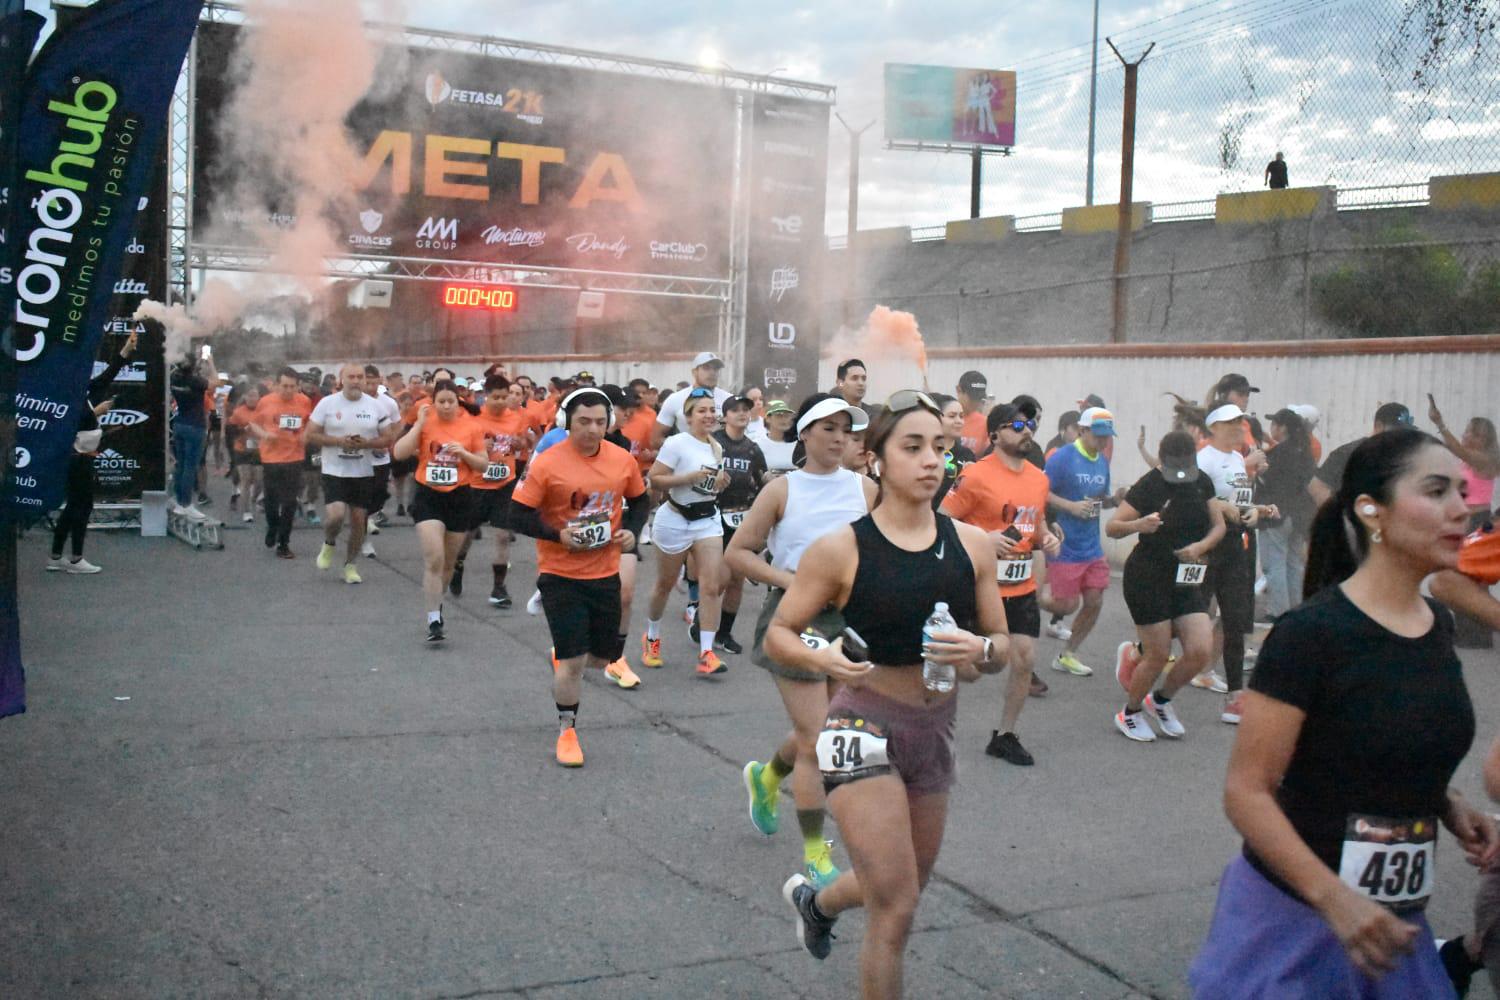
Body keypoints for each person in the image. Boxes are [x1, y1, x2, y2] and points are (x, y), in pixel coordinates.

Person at [1190, 427, 1500, 996]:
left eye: (1463, 491)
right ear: (1370, 510)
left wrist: (1447, 804)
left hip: (1392, 926)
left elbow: (1379, 743)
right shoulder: (1310, 635)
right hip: (1297, 922)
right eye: (1436, 491)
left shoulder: (1439, 627)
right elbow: (1247, 791)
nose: (1463, 508)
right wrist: (1335, 900)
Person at [764, 390, 1009, 997]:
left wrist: (981, 651)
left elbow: (1003, 645)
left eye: (942, 448)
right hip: (859, 728)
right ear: (874, 460)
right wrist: (819, 655)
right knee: (895, 907)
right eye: (914, 447)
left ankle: (818, 904)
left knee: (899, 888)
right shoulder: (843, 547)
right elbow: (778, 634)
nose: (932, 460)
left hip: (934, 732)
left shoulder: (972, 544)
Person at [729, 392, 874, 891]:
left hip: (852, 620)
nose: (838, 437)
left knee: (820, 726)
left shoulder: (865, 489)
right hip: (796, 619)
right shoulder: (782, 490)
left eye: (845, 429)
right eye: (828, 428)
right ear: (805, 434)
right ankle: (817, 854)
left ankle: (766, 779)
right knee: (818, 741)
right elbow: (738, 553)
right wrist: (797, 582)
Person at [509, 387, 649, 766]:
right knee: (573, 662)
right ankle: (567, 730)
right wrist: (559, 535)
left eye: (600, 422)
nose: (592, 429)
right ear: (567, 421)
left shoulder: (622, 460)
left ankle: (565, 651)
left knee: (602, 659)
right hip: (560, 573)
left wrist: (632, 529)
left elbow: (639, 501)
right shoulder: (546, 462)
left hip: (604, 571)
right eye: (584, 421)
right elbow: (517, 514)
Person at [941, 401, 1061, 764]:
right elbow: (941, 521)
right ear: (994, 435)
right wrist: (984, 539)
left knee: (1024, 658)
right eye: (1017, 425)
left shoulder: (1039, 478)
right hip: (980, 585)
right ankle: (928, 724)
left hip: (1021, 585)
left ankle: (1005, 735)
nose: (1026, 431)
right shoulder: (976, 475)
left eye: (1030, 426)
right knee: (970, 670)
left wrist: (1047, 538)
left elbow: (1034, 525)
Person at [1107, 431, 1229, 741]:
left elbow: (1219, 526)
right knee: (1158, 653)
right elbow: (1113, 527)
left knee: (1200, 649)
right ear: (1162, 461)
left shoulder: (1201, 481)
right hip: (1148, 575)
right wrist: (1139, 525)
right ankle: (1130, 712)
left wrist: (1200, 547)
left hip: (1185, 575)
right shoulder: (1149, 485)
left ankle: (1160, 700)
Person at [1197, 403, 1279, 724]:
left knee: (1234, 620)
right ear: (1214, 427)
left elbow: (1239, 501)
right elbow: (1195, 501)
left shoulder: (1235, 459)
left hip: (1235, 547)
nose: (1237, 429)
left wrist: (1259, 510)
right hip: (1207, 545)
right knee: (1191, 615)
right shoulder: (1203, 459)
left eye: (1240, 424)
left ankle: (1234, 696)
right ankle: (1141, 655)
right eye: (1230, 424)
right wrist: (1219, 507)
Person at [642, 388, 731, 676]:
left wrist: (719, 483)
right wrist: (688, 477)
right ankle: (652, 637)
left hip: (707, 520)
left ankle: (707, 652)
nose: (709, 415)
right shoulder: (677, 443)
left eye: (712, 410)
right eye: (702, 410)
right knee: (664, 585)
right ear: (688, 416)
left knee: (711, 585)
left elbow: (708, 486)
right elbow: (655, 480)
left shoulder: (717, 448)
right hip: (675, 519)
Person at [392, 380, 486, 641]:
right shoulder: (424, 424)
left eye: (450, 402)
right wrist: (420, 424)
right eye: (441, 402)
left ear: (459, 403)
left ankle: (438, 602)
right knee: (433, 558)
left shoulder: (471, 427)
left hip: (459, 497)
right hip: (427, 496)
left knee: (447, 562)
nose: (445, 406)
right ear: (434, 403)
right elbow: (398, 453)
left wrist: (465, 454)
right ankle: (433, 617)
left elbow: (484, 465)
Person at [47, 332, 140, 574]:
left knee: (73, 507)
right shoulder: (66, 395)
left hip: (81, 458)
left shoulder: (83, 390)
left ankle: (57, 556)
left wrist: (125, 351)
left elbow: (106, 377)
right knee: (82, 506)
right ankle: (76, 559)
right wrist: (95, 413)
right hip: (76, 459)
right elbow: (66, 422)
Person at [1043, 406, 1119, 676]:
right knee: (1065, 604)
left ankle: (1068, 653)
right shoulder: (1062, 458)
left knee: (1095, 600)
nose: (1102, 441)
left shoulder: (1101, 461)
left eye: (1107, 436)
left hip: (1091, 546)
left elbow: (1098, 499)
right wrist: (1071, 507)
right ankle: (1029, 595)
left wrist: (1115, 499)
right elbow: (1040, 491)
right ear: (1082, 430)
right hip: (1064, 543)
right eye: (1097, 435)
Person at [306, 363, 395, 585]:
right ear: (341, 379)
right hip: (334, 469)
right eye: (351, 376)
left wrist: (367, 444)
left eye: (359, 377)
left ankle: (350, 565)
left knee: (358, 521)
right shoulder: (328, 404)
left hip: (362, 471)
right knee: (335, 515)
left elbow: (387, 438)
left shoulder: (375, 407)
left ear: (365, 380)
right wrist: (338, 441)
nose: (355, 381)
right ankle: (329, 543)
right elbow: (311, 435)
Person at [460, 375, 530, 608]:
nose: (501, 401)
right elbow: (460, 445)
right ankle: (458, 563)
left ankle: (498, 588)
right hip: (477, 484)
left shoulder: (515, 418)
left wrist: (519, 444)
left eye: (504, 396)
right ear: (485, 395)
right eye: (496, 397)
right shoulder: (474, 417)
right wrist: (479, 447)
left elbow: (520, 443)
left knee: (501, 535)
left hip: (504, 483)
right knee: (467, 533)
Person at [707, 394, 768, 655]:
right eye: (736, 410)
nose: (742, 413)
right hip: (712, 516)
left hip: (741, 517)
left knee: (736, 580)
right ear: (725, 416)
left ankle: (724, 633)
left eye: (746, 409)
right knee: (719, 579)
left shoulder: (753, 449)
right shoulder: (713, 443)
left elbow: (763, 477)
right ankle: (702, 618)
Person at [1257, 408, 1317, 622]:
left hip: (1276, 514)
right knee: (1293, 563)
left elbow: (1266, 480)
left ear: (1282, 427)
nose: (1271, 428)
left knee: (1274, 564)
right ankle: (1296, 609)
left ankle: (1278, 611)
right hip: (1299, 517)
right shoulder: (1306, 453)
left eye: (1274, 423)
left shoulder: (1278, 453)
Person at [249, 367, 314, 559]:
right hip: (271, 458)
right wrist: (265, 435)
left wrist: (306, 435)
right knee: (271, 500)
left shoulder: (304, 401)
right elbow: (253, 424)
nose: (288, 390)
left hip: (294, 457)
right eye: (284, 386)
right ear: (277, 385)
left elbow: (311, 423)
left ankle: (284, 544)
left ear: (298, 386)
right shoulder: (266, 401)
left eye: (292, 387)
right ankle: (273, 526)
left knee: (289, 502)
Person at [1309, 402, 1416, 507]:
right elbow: (1317, 486)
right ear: (1379, 426)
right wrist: (1337, 514)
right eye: (1397, 432)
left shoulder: (1405, 458)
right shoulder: (1349, 453)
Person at [168, 348, 217, 520]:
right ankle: (186, 504)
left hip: (179, 424)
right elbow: (215, 383)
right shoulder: (195, 381)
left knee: (181, 464)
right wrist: (210, 363)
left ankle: (178, 500)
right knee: (190, 466)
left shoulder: (174, 378)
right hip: (195, 426)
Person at [651, 351, 733, 445]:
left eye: (716, 369)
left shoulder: (729, 400)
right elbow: (655, 440)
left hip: (719, 457)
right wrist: (684, 449)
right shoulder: (675, 399)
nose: (712, 373)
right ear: (694, 372)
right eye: (706, 368)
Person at [929, 393, 977, 508]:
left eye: (961, 416)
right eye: (952, 416)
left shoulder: (967, 455)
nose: (959, 421)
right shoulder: (926, 453)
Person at [225, 385, 262, 525]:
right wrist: (243, 429)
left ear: (259, 398)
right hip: (241, 449)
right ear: (245, 397)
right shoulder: (238, 412)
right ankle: (246, 510)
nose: (252, 398)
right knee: (246, 479)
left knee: (259, 480)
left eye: (255, 396)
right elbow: (231, 431)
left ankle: (253, 499)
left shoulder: (263, 411)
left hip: (258, 450)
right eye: (250, 395)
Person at [752, 399, 798, 474]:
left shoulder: (798, 445)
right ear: (768, 418)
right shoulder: (757, 444)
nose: (784, 419)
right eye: (779, 415)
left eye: (786, 416)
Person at [955, 370, 989, 454]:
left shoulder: (985, 423)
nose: (975, 403)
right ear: (958, 390)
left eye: (978, 398)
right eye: (972, 398)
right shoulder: (946, 420)